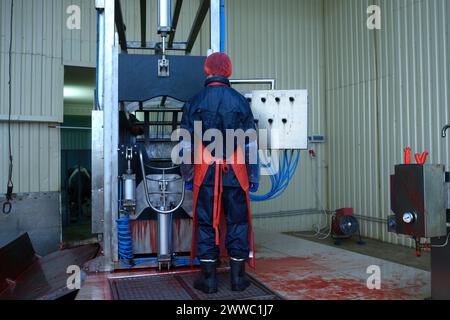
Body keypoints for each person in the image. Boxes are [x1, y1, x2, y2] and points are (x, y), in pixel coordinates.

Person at [180, 52, 260, 294]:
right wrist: (253, 177)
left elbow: (185, 144)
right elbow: (250, 144)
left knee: (206, 223)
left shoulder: (194, 102)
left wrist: (187, 176)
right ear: (229, 70)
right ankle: (238, 280)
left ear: (207, 69)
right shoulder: (240, 102)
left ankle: (209, 281)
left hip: (205, 174)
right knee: (238, 222)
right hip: (236, 173)